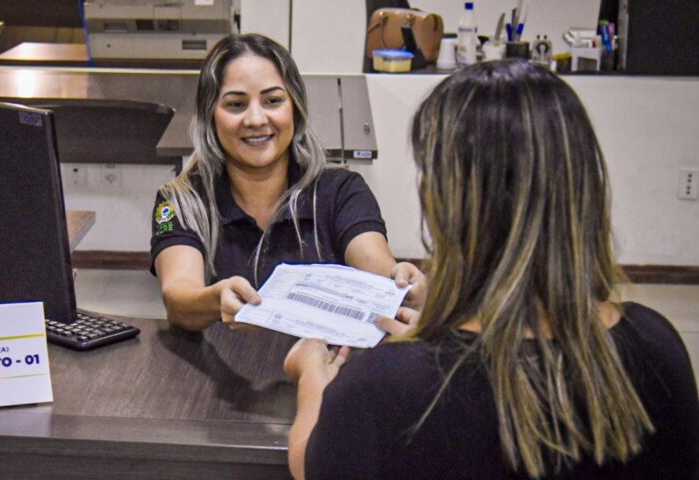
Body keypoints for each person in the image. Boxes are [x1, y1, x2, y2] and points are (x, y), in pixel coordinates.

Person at [284, 60, 698, 479]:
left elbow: (313, 467)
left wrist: (312, 382)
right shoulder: (657, 346)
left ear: (443, 201)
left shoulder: (382, 388)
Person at [151, 33, 423, 331]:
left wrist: (398, 281)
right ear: (210, 116)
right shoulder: (180, 201)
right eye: (235, 104)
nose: (255, 119)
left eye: (272, 100)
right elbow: (178, 298)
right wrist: (216, 298)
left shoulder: (342, 190)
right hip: (224, 369)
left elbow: (376, 263)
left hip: (323, 369)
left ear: (294, 107)